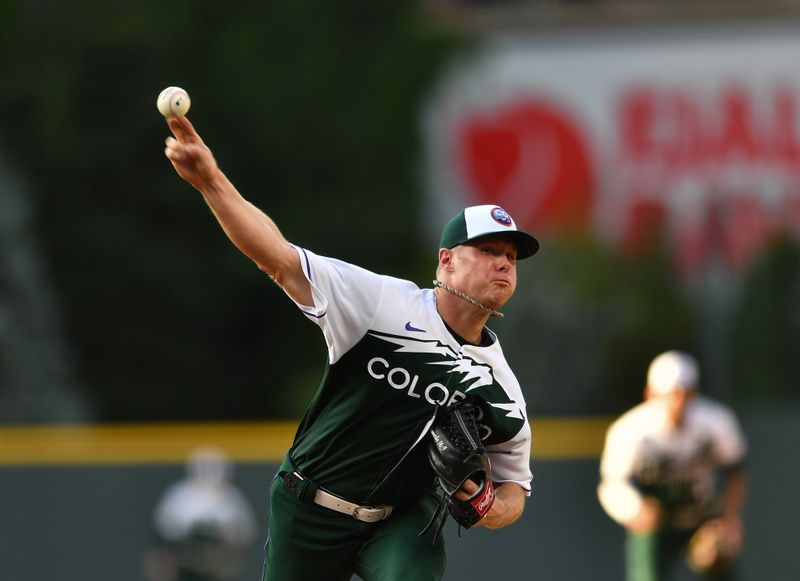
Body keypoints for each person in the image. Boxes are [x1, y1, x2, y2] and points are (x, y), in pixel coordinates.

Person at [162, 115, 538, 581]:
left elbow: (515, 490)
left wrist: (487, 506)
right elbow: (277, 259)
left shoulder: (501, 388)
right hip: (309, 504)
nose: (503, 263)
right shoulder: (380, 303)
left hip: (402, 519)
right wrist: (210, 181)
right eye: (488, 250)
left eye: (511, 257)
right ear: (446, 260)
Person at [597, 350, 748, 581]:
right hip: (657, 523)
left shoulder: (716, 423)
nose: (677, 402)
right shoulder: (630, 431)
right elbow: (612, 484)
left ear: (694, 393)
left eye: (683, 394)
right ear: (650, 394)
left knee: (721, 562)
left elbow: (736, 472)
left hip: (703, 517)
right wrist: (635, 509)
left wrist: (728, 520)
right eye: (668, 394)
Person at [142, 447, 258, 581]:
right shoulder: (178, 496)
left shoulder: (233, 501)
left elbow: (245, 537)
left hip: (219, 567)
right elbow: (161, 537)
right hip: (182, 566)